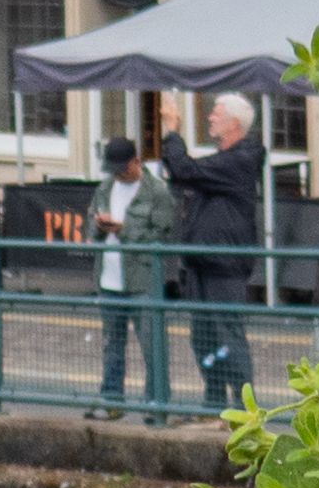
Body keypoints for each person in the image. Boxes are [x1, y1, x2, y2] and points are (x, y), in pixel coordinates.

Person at [170, 91, 271, 404]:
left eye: (216, 113)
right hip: (201, 261)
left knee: (228, 333)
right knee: (202, 337)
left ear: (234, 124)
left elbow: (184, 169)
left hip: (224, 264)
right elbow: (185, 174)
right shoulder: (223, 162)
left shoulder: (240, 161)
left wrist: (173, 131)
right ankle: (214, 398)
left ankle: (244, 406)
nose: (210, 118)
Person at [101, 135, 178, 402]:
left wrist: (124, 230)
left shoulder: (157, 191)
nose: (118, 176)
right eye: (113, 171)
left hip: (143, 280)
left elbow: (162, 235)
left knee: (152, 345)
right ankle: (111, 399)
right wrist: (98, 226)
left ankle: (156, 401)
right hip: (109, 279)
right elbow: (92, 219)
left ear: (136, 162)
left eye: (122, 169)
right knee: (112, 345)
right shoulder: (105, 187)